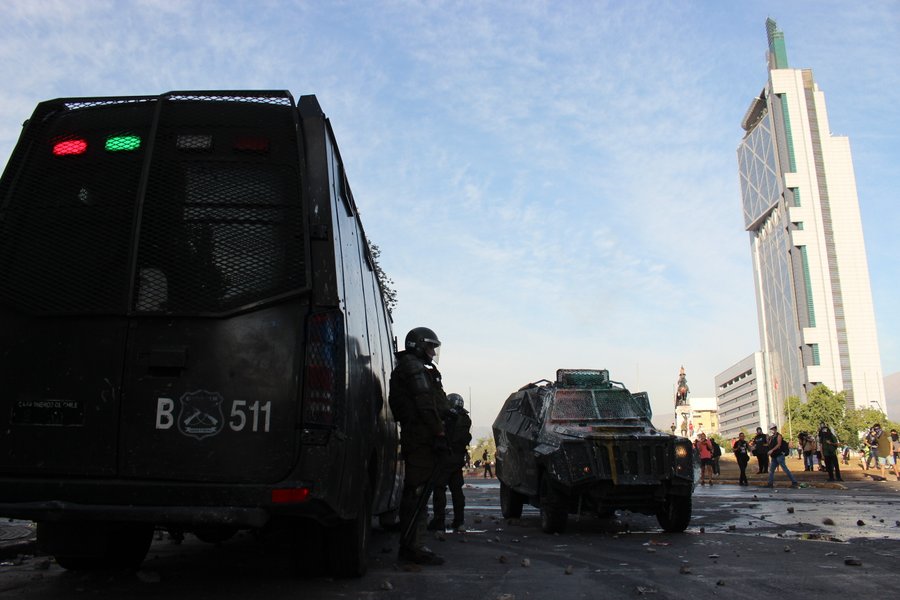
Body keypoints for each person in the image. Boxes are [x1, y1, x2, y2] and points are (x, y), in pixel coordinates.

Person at [388, 327, 450, 566]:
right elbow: (424, 403)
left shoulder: (414, 367)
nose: (433, 352)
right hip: (421, 437)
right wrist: (439, 431)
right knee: (417, 492)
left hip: (421, 436)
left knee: (419, 491)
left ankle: (412, 544)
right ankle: (412, 546)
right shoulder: (412, 367)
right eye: (430, 346)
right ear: (418, 345)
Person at [428, 393, 472, 532]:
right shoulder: (465, 419)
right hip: (457, 459)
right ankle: (459, 521)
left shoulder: (448, 418)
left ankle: (439, 521)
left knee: (439, 488)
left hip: (445, 457)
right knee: (457, 490)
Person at [766, 424, 799, 488]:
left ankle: (794, 482)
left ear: (775, 429)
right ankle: (770, 483)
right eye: (771, 429)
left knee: (785, 469)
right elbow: (769, 445)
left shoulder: (779, 436)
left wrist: (772, 450)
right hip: (774, 456)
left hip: (779, 455)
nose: (771, 430)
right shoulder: (772, 437)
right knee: (771, 470)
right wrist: (768, 440)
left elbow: (779, 444)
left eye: (772, 429)